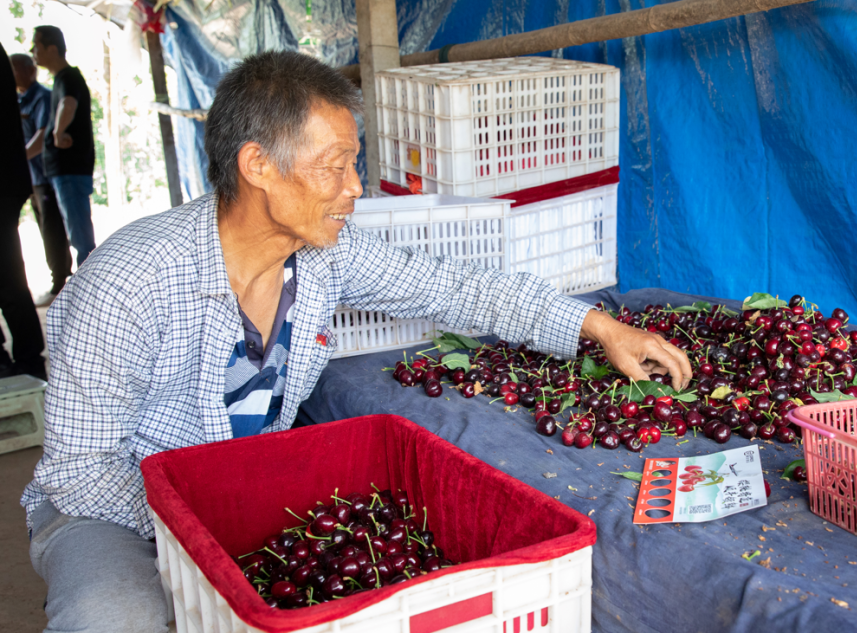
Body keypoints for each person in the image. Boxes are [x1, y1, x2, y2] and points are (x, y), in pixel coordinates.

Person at [21, 51, 690, 632]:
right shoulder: (128, 285)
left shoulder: (320, 257)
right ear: (258, 164)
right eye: (336, 166)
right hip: (116, 508)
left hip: (235, 497)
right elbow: (82, 471)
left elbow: (455, 287)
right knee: (118, 615)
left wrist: (598, 326)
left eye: (356, 164)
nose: (354, 188)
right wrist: (207, 540)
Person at [25, 25, 96, 267]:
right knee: (76, 232)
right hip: (63, 171)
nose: (33, 51)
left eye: (37, 46)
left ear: (52, 49)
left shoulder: (68, 78)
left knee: (80, 237)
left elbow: (68, 103)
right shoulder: (59, 80)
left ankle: (89, 290)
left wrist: (59, 131)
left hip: (70, 170)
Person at [0, 42, 48, 380]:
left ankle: (28, 358)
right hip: (8, 181)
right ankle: (22, 356)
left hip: (3, 183)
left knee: (7, 275)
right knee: (8, 274)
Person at [12, 52, 72, 307]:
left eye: (14, 70)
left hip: (44, 173)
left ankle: (60, 282)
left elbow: (42, 133)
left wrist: (18, 158)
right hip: (29, 175)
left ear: (30, 71)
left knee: (52, 229)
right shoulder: (17, 99)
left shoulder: (42, 97)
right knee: (42, 227)